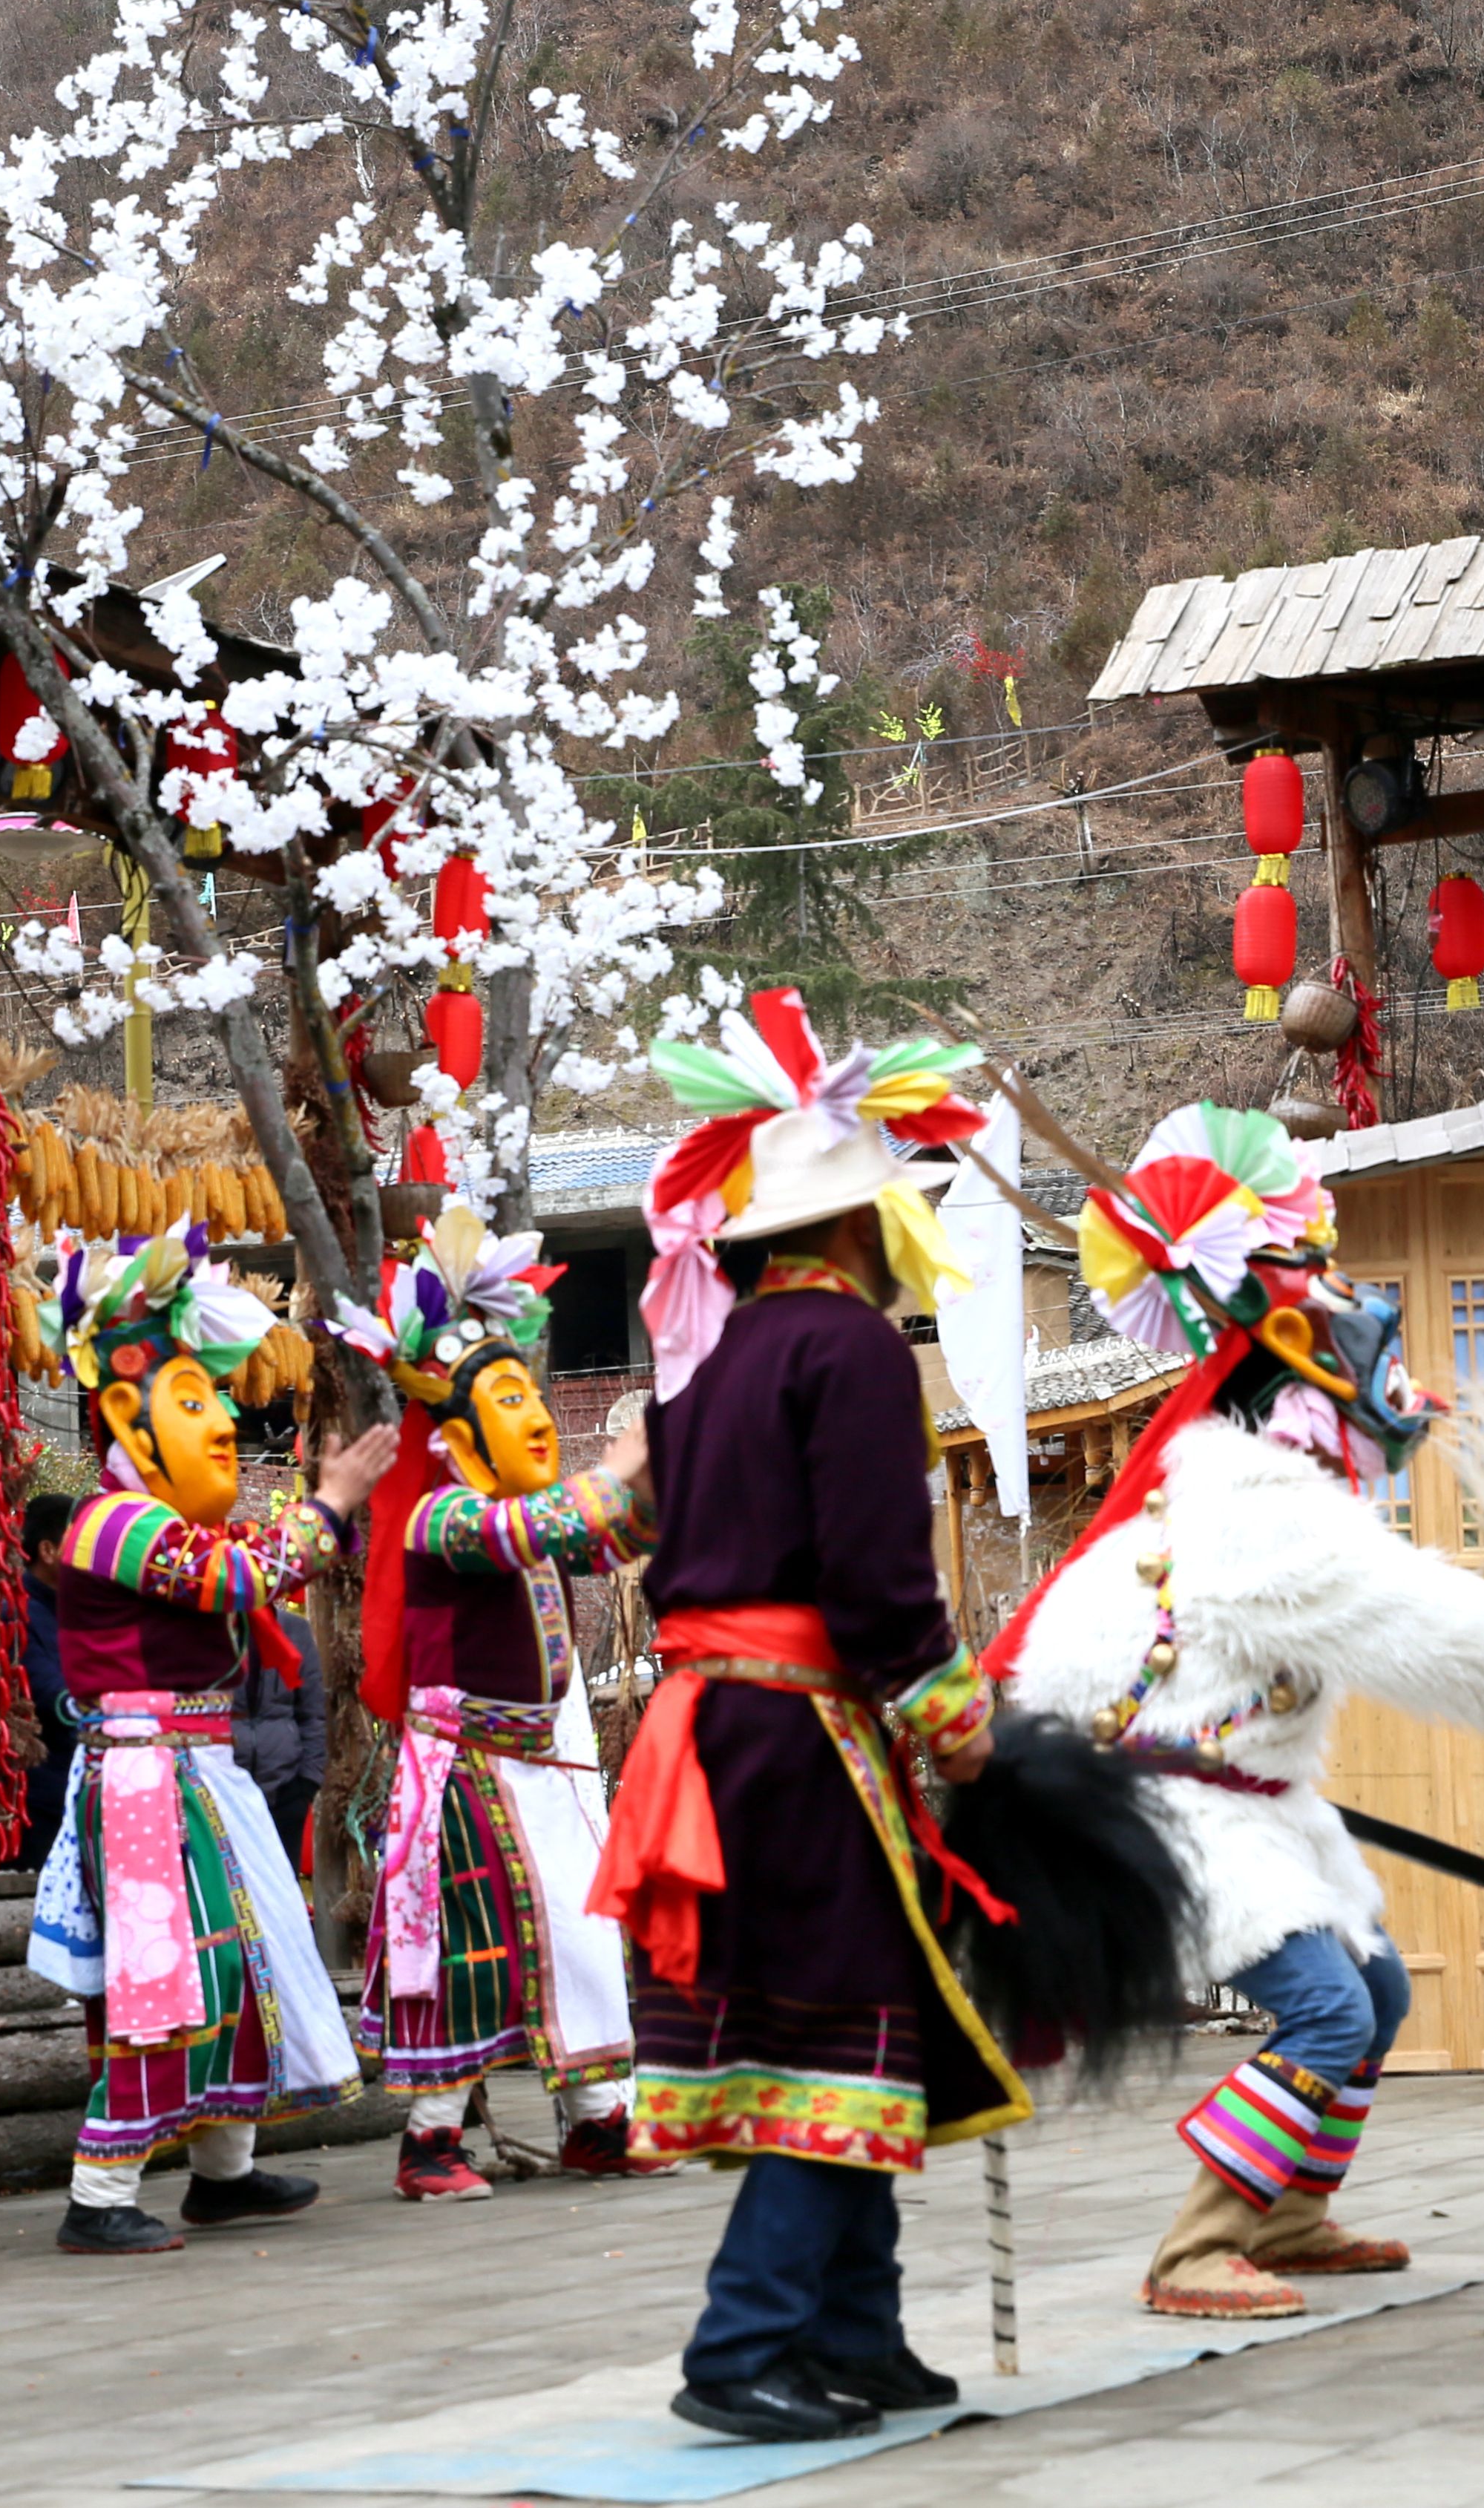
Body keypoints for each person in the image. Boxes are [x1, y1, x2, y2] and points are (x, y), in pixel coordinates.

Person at [994, 1100, 1484, 2318]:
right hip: (1173, 1809)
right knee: (1325, 2007)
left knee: (1382, 1994)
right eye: (1325, 1282)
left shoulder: (1249, 1483)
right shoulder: (1255, 1501)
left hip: (1250, 1800)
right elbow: (1424, 1625)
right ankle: (1196, 2246)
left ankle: (1295, 2212)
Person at [591, 989, 1022, 2446]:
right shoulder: (845, 1354)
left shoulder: (709, 1365)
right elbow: (872, 1581)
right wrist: (956, 1719)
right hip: (794, 1735)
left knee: (848, 2017)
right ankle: (746, 2340)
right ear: (856, 1230)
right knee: (840, 2027)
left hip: (720, 1730)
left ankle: (856, 2329)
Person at [22, 1222, 397, 2258]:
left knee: (240, 1968)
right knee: (170, 1982)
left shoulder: (162, 1523)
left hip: (197, 1773)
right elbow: (241, 1576)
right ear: (121, 1420)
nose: (226, 1418)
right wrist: (328, 1501)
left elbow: (258, 1559)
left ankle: (222, 2174)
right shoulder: (111, 1523)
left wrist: (325, 1512)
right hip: (144, 1782)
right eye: (193, 1402)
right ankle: (99, 2190)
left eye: (217, 1397)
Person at [335, 1205, 660, 2198]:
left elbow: (612, 1533)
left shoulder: (524, 1515)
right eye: (511, 1396)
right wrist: (619, 1462)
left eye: (533, 1392)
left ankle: (597, 2118)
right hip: (467, 1770)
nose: (534, 1414)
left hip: (542, 1765)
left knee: (581, 1934)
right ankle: (430, 2140)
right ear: (457, 1429)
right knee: (476, 1948)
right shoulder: (446, 1516)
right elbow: (577, 1513)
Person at [226, 1550, 326, 1873]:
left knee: (283, 1888)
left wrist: (306, 1785)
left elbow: (314, 1713)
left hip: (285, 1791)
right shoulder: (213, 1632)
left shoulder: (295, 1631)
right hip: (227, 1787)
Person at [16, 1493, 78, 1872]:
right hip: (43, 1797)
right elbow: (48, 1692)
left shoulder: (82, 1607)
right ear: (48, 1551)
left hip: (82, 1787)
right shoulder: (16, 1611)